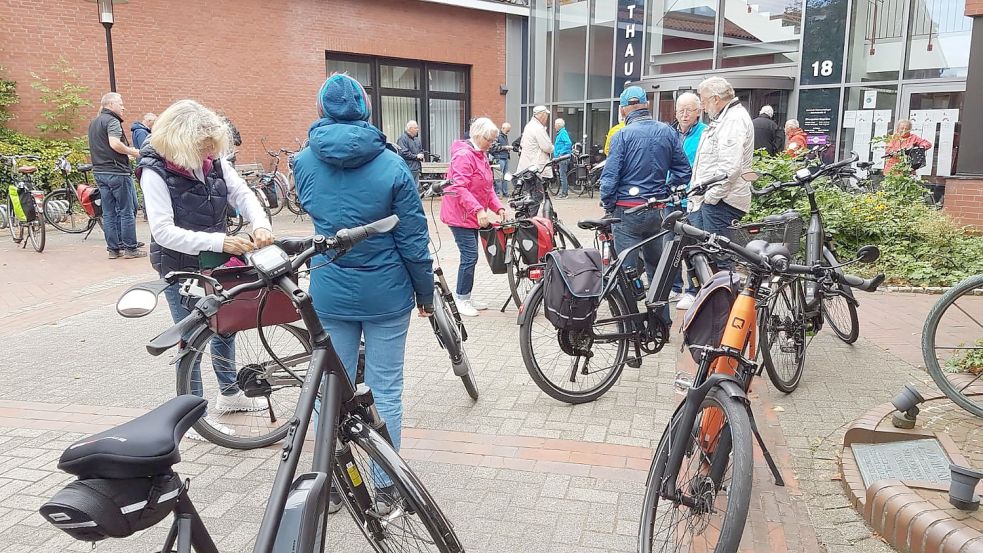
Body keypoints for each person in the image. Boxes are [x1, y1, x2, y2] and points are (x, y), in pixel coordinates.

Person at [291, 74, 432, 511]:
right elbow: (412, 239)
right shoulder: (392, 165)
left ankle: (330, 480)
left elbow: (313, 213)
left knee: (330, 386)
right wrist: (425, 293)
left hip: (330, 291)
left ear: (321, 109)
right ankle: (387, 486)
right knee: (386, 388)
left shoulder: (302, 162)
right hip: (387, 295)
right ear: (366, 110)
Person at [135, 99, 274, 438]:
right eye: (202, 149)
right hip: (180, 266)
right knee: (191, 339)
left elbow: (242, 194)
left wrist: (260, 224)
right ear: (181, 142)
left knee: (225, 327)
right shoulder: (155, 171)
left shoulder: (213, 162)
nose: (208, 156)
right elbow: (163, 231)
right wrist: (221, 242)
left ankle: (229, 394)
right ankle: (192, 413)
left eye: (212, 150)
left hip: (214, 262)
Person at [599, 86, 691, 301]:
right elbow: (684, 171)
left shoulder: (621, 135)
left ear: (623, 110)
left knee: (626, 271)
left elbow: (610, 177)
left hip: (627, 210)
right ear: (646, 105)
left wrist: (608, 205)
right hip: (657, 209)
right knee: (657, 269)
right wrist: (665, 190)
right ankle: (661, 323)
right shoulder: (668, 131)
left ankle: (627, 328)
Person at [441, 117, 507, 317]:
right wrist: (479, 210)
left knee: (471, 257)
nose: (491, 143)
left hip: (472, 214)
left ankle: (466, 295)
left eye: (494, 140)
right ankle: (461, 299)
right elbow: (459, 187)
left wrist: (498, 208)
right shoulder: (464, 155)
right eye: (489, 139)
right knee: (470, 256)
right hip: (460, 215)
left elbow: (487, 188)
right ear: (477, 135)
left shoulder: (480, 154)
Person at [689, 77, 754, 270]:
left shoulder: (733, 120)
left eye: (703, 99)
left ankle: (727, 298)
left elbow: (729, 168)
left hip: (722, 201)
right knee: (711, 254)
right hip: (717, 200)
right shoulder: (726, 118)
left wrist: (711, 198)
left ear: (715, 99)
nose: (702, 105)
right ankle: (718, 297)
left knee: (719, 257)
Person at [87, 92, 144, 259]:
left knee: (109, 212)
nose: (123, 107)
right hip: (117, 172)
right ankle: (130, 248)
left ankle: (113, 248)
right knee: (127, 210)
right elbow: (114, 143)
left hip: (100, 172)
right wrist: (132, 151)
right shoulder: (112, 120)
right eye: (120, 103)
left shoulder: (94, 123)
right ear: (110, 105)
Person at [669, 92, 706, 310]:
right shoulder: (671, 133)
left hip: (691, 199)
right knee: (670, 245)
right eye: (680, 110)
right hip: (670, 197)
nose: (684, 115)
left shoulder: (704, 133)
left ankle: (693, 290)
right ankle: (674, 287)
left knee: (691, 246)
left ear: (698, 112)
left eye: (689, 110)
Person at [516, 106, 553, 214]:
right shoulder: (538, 128)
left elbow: (522, 144)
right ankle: (530, 222)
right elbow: (547, 147)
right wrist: (552, 148)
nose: (546, 118)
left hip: (526, 168)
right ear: (541, 115)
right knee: (536, 196)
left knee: (527, 196)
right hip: (535, 168)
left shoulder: (529, 126)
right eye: (546, 115)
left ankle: (526, 220)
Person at [396, 120, 424, 187]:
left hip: (416, 168)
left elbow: (421, 150)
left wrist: (421, 155)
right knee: (408, 187)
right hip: (407, 168)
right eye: (415, 128)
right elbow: (403, 152)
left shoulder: (417, 139)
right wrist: (416, 156)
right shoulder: (402, 139)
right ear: (410, 128)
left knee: (416, 188)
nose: (417, 130)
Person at [553, 118, 573, 198]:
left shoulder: (562, 133)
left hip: (563, 158)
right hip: (561, 158)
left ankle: (564, 194)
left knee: (562, 176)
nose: (554, 126)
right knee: (562, 175)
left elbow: (568, 143)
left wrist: (561, 153)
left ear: (558, 125)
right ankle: (564, 193)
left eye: (555, 125)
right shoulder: (560, 133)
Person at [492, 121, 512, 197]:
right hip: (499, 158)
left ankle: (505, 192)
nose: (508, 132)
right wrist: (505, 147)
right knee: (498, 177)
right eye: (507, 130)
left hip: (505, 158)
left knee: (506, 176)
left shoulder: (504, 136)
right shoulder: (497, 136)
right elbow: (493, 148)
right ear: (503, 128)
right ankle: (497, 193)